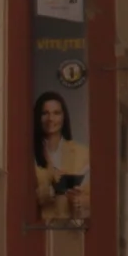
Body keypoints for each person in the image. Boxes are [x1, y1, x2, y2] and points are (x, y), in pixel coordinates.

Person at [32, 91, 91, 223]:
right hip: (41, 231)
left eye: (56, 113)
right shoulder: (27, 153)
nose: (50, 119)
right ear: (37, 117)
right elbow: (23, 196)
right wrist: (52, 187)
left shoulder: (82, 153)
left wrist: (81, 201)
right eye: (45, 113)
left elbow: (96, 195)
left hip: (71, 231)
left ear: (64, 117)